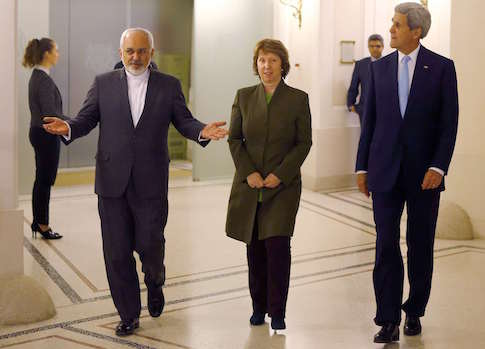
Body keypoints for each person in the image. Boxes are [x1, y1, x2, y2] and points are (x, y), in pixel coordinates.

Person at [42, 28, 228, 336]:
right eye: (130, 51)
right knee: (116, 252)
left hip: (151, 182)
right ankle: (129, 313)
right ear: (121, 53)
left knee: (150, 246)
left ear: (151, 53)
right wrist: (68, 127)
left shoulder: (169, 86)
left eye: (142, 51)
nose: (136, 57)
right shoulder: (103, 84)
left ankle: (155, 281)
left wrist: (201, 131)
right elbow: (86, 118)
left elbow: (184, 120)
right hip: (111, 183)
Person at [355, 2, 458, 343]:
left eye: (397, 25)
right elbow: (368, 121)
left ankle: (414, 309)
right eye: (392, 23)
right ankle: (387, 319)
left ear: (416, 30)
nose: (391, 30)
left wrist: (438, 166)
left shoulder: (442, 68)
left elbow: (448, 125)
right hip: (384, 171)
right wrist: (361, 166)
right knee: (385, 243)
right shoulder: (378, 69)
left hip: (424, 175)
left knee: (420, 244)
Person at [225, 39, 312, 331]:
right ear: (256, 64)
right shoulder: (244, 96)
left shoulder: (298, 99)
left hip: (282, 188)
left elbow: (304, 143)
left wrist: (281, 174)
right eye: (262, 60)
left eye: (273, 60)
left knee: (277, 247)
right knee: (255, 252)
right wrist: (248, 172)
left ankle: (278, 311)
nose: (267, 66)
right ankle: (257, 307)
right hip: (250, 187)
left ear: (282, 65)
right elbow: (235, 139)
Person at [22, 38, 65, 240]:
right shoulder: (43, 79)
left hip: (39, 132)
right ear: (46, 54)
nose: (58, 53)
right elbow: (50, 114)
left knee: (42, 179)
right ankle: (42, 224)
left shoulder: (38, 76)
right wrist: (74, 123)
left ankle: (38, 221)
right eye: (55, 50)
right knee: (45, 180)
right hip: (45, 134)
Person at [347, 34, 384, 125]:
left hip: (384, 109)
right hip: (365, 109)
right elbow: (353, 86)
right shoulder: (360, 64)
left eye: (378, 46)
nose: (374, 49)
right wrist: (350, 104)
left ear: (382, 47)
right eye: (372, 46)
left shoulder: (390, 63)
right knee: (365, 137)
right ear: (368, 47)